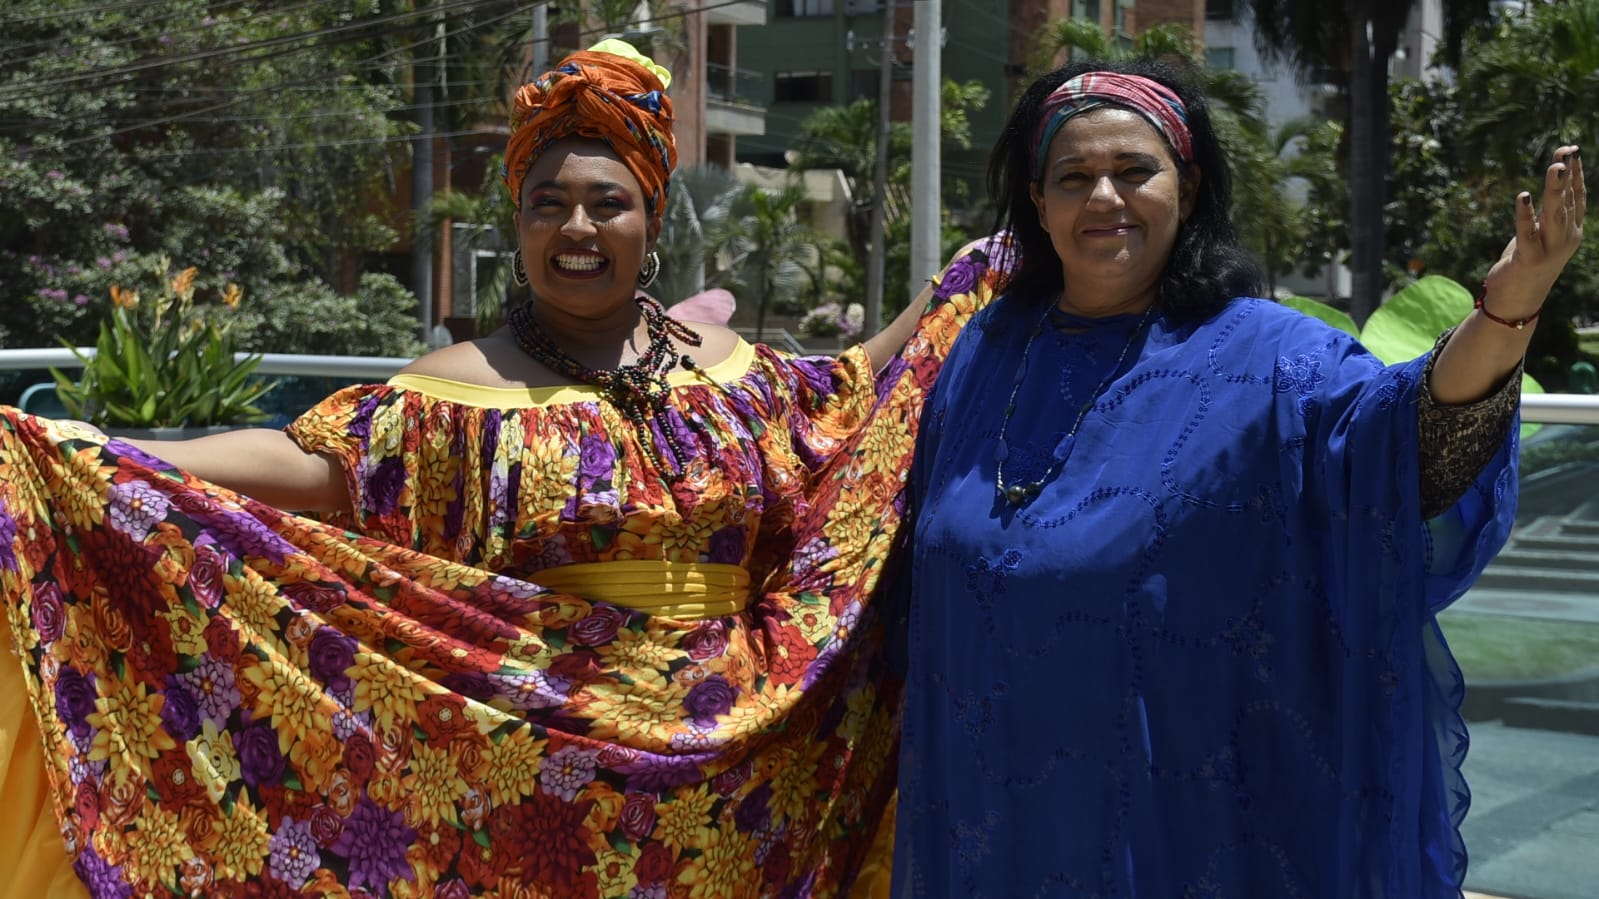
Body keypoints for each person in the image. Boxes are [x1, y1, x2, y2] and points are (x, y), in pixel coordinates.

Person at [0, 41, 975, 898]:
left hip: (742, 768)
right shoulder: (453, 393)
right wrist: (103, 451)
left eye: (608, 203)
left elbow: (860, 388)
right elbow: (309, 461)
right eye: (548, 204)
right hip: (547, 765)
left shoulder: (743, 379)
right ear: (519, 222)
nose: (578, 228)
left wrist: (958, 286)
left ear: (653, 216)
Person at [888, 59, 1584, 897]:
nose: (1103, 197)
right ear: (1039, 203)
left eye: (1132, 170)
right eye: (1073, 177)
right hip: (982, 811)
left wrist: (1506, 311)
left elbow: (1401, 446)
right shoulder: (985, 347)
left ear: (1185, 184)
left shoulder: (1270, 358)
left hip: (1175, 822)